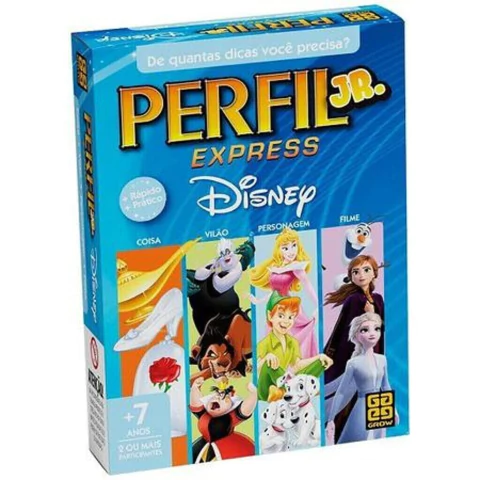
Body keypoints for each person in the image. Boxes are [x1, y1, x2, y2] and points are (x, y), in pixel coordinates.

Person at [326, 313, 398, 444]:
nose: (372, 333)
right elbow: (341, 392)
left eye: (376, 328)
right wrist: (331, 419)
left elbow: (385, 385)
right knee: (359, 438)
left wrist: (393, 409)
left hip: (381, 405)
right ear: (356, 336)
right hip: (362, 407)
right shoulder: (353, 363)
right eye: (365, 330)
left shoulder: (382, 359)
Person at [251, 228, 319, 358]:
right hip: (273, 306)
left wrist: (319, 305)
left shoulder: (297, 267)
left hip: (288, 306)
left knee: (292, 336)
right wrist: (258, 301)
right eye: (285, 248)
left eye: (294, 246)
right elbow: (274, 291)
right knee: (274, 339)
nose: (291, 251)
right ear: (279, 250)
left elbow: (308, 285)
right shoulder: (276, 266)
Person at [257, 291, 332, 402]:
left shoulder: (292, 342)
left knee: (320, 362)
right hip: (266, 390)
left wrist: (318, 357)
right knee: (269, 366)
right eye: (281, 316)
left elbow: (297, 366)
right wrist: (266, 358)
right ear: (270, 316)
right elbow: (257, 369)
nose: (286, 321)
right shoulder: (264, 343)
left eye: (290, 317)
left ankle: (289, 390)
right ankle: (294, 389)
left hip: (286, 384)